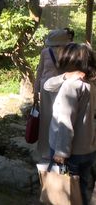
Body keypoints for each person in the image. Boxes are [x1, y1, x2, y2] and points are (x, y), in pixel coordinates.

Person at [43, 43, 96, 205]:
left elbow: (65, 122)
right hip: (89, 149)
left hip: (69, 153)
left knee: (64, 195)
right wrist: (66, 76)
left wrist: (61, 152)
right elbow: (47, 85)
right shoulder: (91, 84)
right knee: (84, 192)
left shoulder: (70, 86)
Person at [34, 29, 69, 160]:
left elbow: (40, 71)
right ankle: (47, 149)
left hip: (61, 88)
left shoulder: (67, 53)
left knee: (57, 119)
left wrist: (36, 89)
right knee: (50, 118)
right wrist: (36, 90)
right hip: (50, 88)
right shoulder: (46, 52)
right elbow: (40, 71)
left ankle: (55, 150)